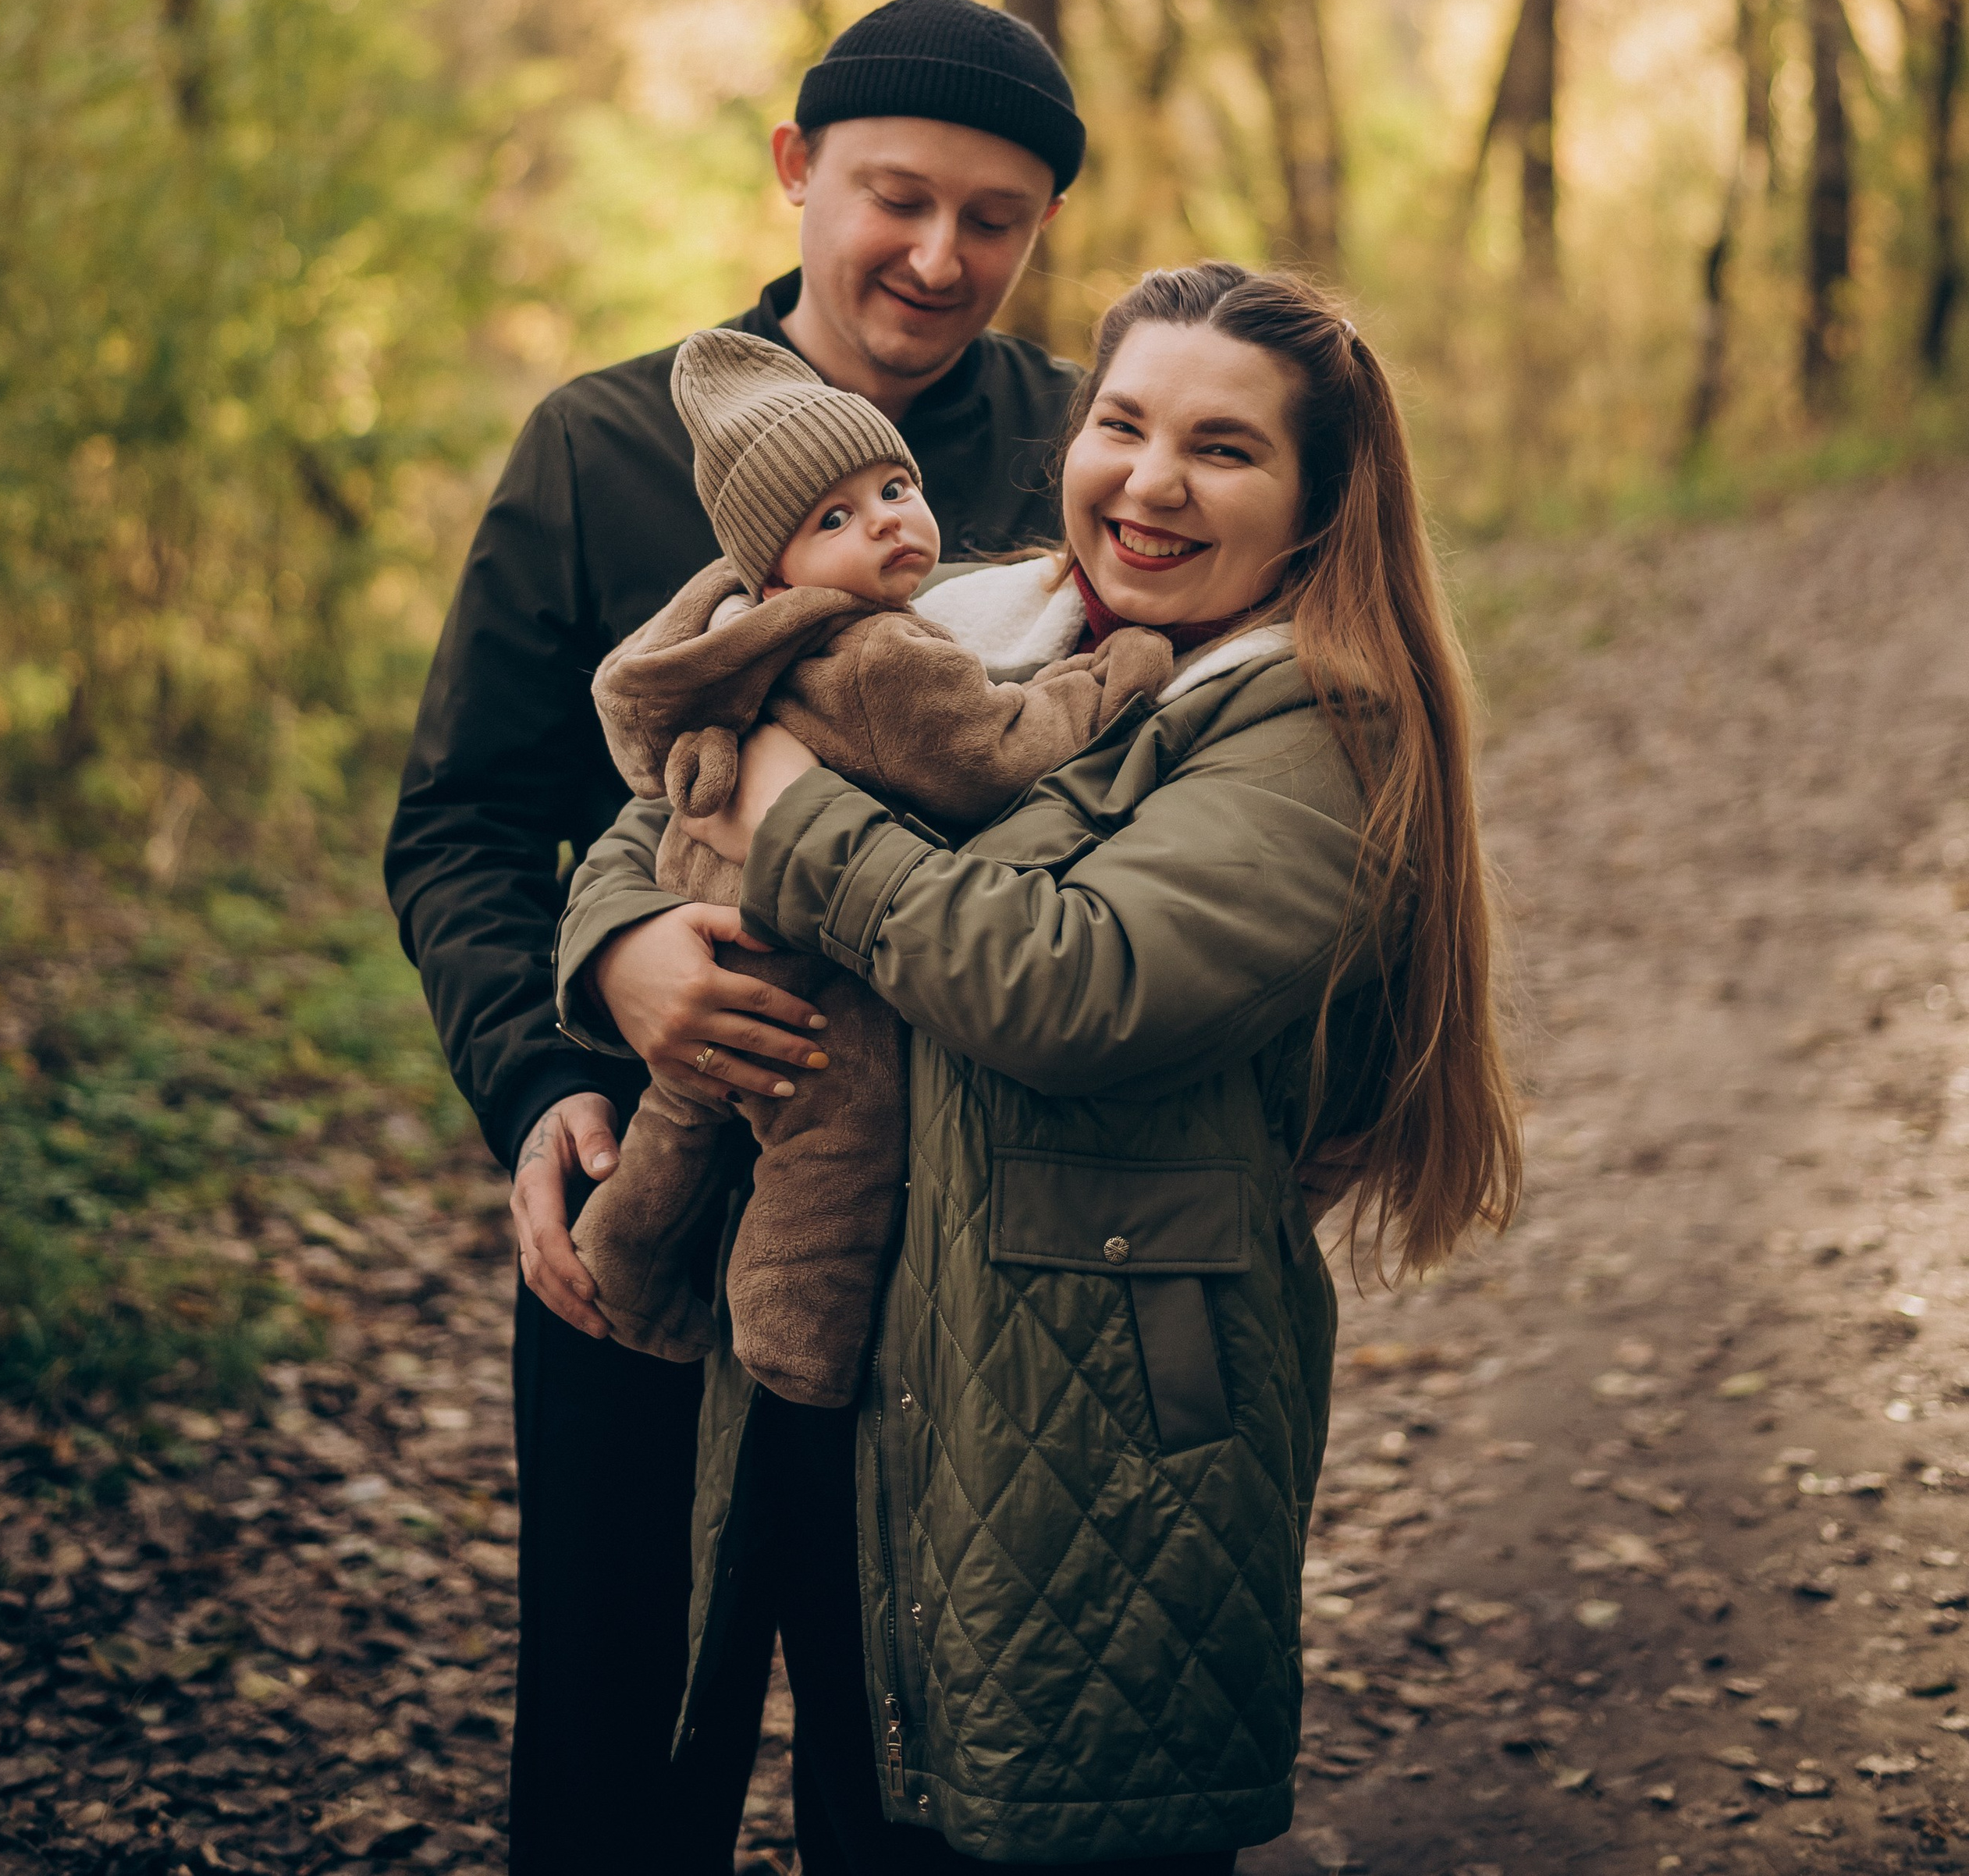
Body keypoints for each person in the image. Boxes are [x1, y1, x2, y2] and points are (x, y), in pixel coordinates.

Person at [559, 260, 1523, 1872]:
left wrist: (792, 819)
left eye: (1221, 449)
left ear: (1314, 502)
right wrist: (625, 946)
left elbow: (1067, 984)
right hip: (849, 1367)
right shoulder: (956, 617)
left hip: (1094, 1428)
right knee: (865, 1823)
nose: (1148, 482)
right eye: (1121, 423)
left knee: (1045, 1825)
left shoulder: (1312, 723)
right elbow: (657, 798)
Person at [382, 0, 1090, 1875]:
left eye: (995, 218)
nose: (938, 257)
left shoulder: (1087, 456)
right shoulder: (601, 445)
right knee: (622, 1766)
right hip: (655, 1211)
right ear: (794, 171)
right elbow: (459, 820)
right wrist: (561, 1047)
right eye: (894, 196)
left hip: (971, 1240)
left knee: (926, 1782)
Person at [573, 325, 1167, 1400]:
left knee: (677, 1115)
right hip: (808, 962)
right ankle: (796, 1340)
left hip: (701, 923)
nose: (887, 519)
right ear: (781, 563)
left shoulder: (745, 642)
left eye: (895, 486)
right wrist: (1110, 673)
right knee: (833, 1141)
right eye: (835, 518)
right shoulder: (885, 653)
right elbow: (997, 755)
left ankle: (618, 1258)